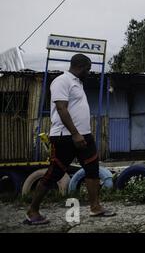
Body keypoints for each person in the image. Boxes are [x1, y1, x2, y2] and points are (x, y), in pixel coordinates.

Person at [25, 54, 114, 225]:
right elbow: (61, 108)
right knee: (54, 173)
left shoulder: (78, 83)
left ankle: (95, 207)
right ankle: (32, 211)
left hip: (83, 135)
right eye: (88, 69)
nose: (89, 72)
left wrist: (82, 133)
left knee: (92, 168)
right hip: (65, 137)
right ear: (80, 67)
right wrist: (75, 134)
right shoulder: (61, 81)